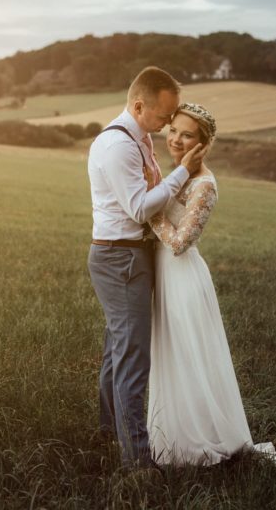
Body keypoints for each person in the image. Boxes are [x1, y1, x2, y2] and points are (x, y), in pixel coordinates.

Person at [86, 66, 208, 469]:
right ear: (139, 105)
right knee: (133, 358)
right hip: (120, 257)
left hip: (127, 255)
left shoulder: (137, 139)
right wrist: (182, 174)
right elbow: (138, 206)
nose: (168, 126)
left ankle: (109, 433)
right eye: (162, 117)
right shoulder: (118, 146)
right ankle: (137, 460)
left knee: (118, 351)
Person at [147, 103, 276, 466]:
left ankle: (198, 441)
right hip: (164, 277)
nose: (175, 139)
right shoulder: (176, 174)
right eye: (173, 130)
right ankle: (170, 436)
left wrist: (149, 210)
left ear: (203, 143)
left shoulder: (204, 184)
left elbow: (179, 243)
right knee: (170, 357)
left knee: (189, 358)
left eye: (187, 134)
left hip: (183, 279)